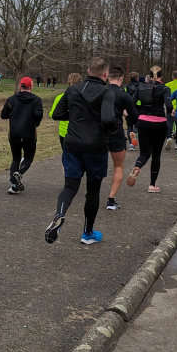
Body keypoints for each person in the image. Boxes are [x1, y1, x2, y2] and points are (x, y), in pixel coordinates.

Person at [45, 57, 117, 245]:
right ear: (105, 74)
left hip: (72, 145)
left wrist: (77, 115)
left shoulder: (72, 89)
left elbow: (57, 114)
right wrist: (112, 129)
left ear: (87, 70)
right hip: (96, 147)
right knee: (93, 190)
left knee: (70, 186)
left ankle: (59, 215)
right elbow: (109, 119)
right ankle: (87, 233)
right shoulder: (106, 92)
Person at [126, 66, 173, 192]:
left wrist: (139, 114)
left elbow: (131, 102)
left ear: (150, 76)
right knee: (156, 155)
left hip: (143, 122)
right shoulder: (165, 89)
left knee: (144, 153)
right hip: (159, 123)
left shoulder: (141, 87)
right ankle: (152, 185)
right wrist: (170, 111)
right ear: (161, 77)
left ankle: (137, 166)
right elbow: (168, 105)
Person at [0, 77, 44, 194]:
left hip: (14, 133)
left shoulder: (11, 100)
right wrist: (35, 122)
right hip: (29, 133)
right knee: (28, 157)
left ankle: (13, 186)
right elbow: (39, 115)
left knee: (16, 158)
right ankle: (19, 173)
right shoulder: (37, 100)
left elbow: (3, 115)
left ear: (20, 86)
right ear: (31, 86)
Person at [105, 66, 138, 210]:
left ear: (107, 77)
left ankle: (91, 194)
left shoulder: (100, 92)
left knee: (94, 165)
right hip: (116, 131)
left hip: (98, 132)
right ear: (121, 79)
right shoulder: (124, 95)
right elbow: (133, 115)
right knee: (118, 166)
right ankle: (111, 200)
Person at [50, 73, 83, 149]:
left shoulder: (60, 97)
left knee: (67, 156)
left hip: (64, 132)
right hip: (80, 131)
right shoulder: (85, 97)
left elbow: (52, 114)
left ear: (68, 83)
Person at [164, 70, 177, 150]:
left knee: (169, 122)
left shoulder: (167, 85)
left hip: (170, 106)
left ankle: (169, 137)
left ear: (172, 76)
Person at [124, 72, 140, 150]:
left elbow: (123, 97)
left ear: (130, 78)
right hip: (138, 108)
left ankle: (131, 145)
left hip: (128, 108)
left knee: (129, 126)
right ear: (138, 78)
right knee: (138, 125)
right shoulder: (140, 86)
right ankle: (134, 132)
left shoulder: (125, 87)